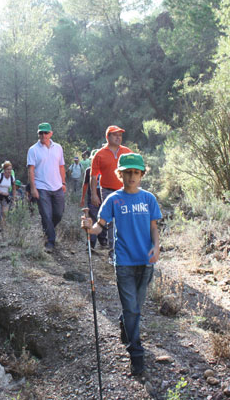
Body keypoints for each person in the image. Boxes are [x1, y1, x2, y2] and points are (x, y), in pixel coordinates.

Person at [81, 153, 161, 377]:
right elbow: (100, 226)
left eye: (136, 172)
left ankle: (124, 324)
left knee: (135, 308)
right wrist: (89, 227)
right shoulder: (114, 199)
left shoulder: (149, 199)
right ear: (120, 174)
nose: (132, 176)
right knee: (133, 310)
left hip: (145, 262)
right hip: (124, 262)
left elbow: (154, 227)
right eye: (128, 172)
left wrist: (156, 246)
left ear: (142, 175)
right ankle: (136, 355)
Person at [90, 125, 132, 257]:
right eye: (115, 135)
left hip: (126, 190)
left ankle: (126, 247)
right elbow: (93, 176)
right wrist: (93, 194)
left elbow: (135, 171)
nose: (118, 137)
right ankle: (113, 250)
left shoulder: (127, 152)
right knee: (112, 219)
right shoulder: (100, 154)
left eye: (120, 135)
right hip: (108, 191)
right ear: (107, 137)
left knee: (127, 218)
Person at [27, 122, 66, 252]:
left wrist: (63, 183)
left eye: (45, 133)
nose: (43, 135)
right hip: (41, 187)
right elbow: (31, 170)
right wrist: (33, 188)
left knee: (58, 214)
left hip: (57, 186)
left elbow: (61, 166)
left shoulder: (58, 148)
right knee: (46, 215)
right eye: (41, 133)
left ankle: (47, 230)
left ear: (51, 133)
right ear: (38, 134)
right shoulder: (33, 149)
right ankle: (50, 241)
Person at [79, 149, 107, 249]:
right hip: (92, 199)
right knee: (93, 219)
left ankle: (103, 240)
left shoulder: (106, 170)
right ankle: (91, 243)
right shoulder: (88, 171)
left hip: (104, 198)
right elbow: (85, 185)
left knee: (103, 218)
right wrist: (82, 198)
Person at [0, 161, 16, 229]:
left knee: (5, 214)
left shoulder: (12, 178)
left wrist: (14, 197)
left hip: (6, 196)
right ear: (4, 170)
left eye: (10, 169)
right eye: (7, 169)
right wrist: (1, 192)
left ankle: (3, 229)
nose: (9, 171)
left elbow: (14, 188)